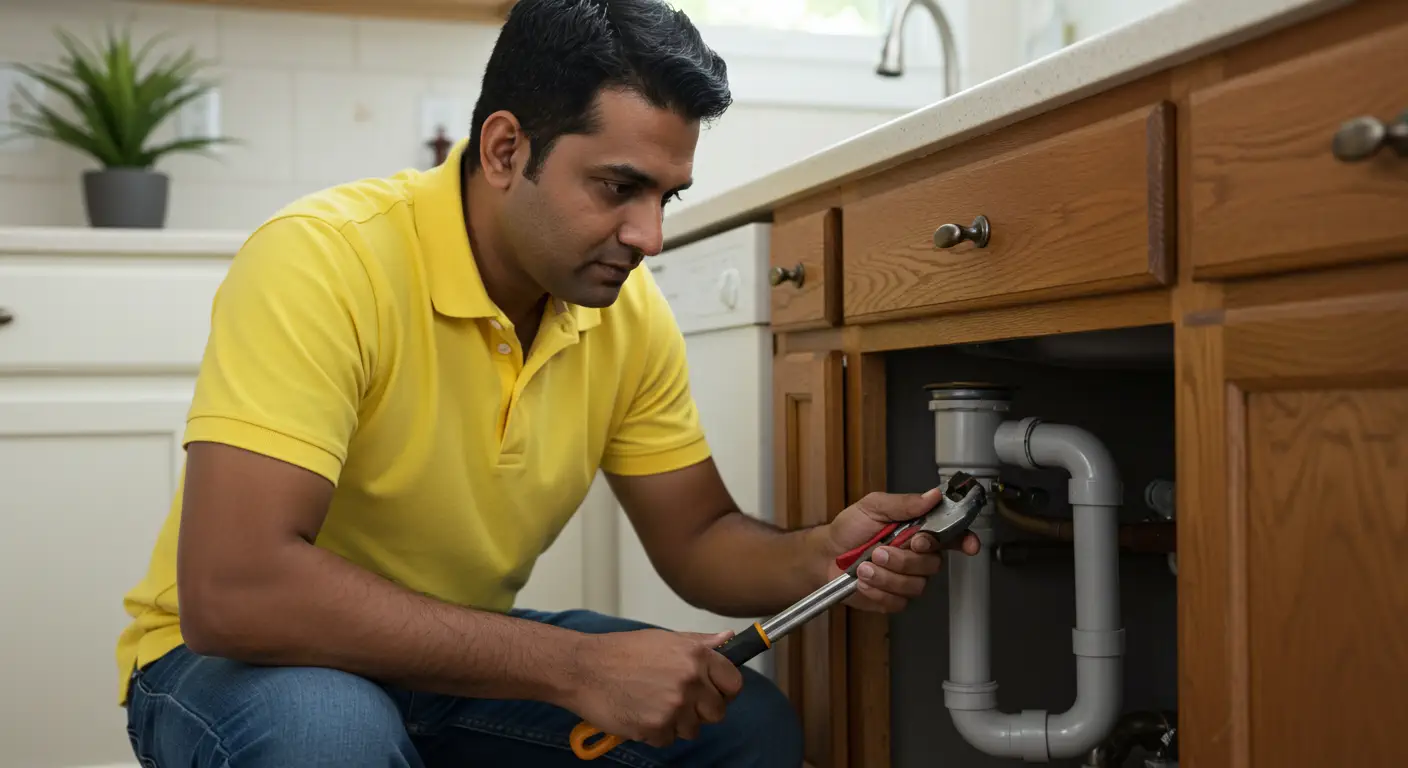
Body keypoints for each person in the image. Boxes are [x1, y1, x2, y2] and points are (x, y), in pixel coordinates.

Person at [116, 0, 981, 765]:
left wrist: (819, 555)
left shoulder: (624, 313)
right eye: (618, 187)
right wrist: (577, 668)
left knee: (741, 724)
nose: (649, 237)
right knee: (330, 739)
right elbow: (237, 592)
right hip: (240, 663)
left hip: (442, 661)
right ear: (504, 149)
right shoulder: (324, 260)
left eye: (667, 197)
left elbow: (698, 537)